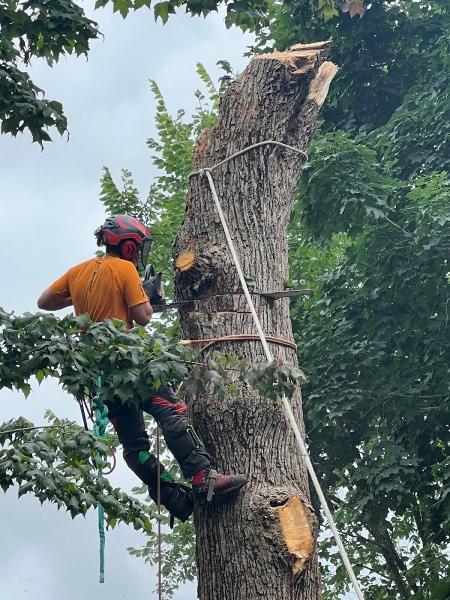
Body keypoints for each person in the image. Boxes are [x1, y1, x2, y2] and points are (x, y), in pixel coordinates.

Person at [37, 214, 247, 522]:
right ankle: (203, 478)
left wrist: (86, 295)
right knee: (171, 410)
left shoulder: (77, 271)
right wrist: (143, 293)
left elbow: (44, 301)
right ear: (128, 246)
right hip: (128, 365)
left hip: (101, 378)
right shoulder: (123, 269)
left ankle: (173, 498)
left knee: (135, 444)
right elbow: (143, 316)